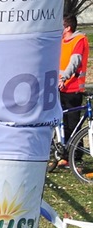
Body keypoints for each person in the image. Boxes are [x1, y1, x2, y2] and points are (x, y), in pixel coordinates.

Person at [59, 14, 89, 167]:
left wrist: (63, 78)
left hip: (73, 88)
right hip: (61, 87)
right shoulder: (61, 41)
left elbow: (74, 62)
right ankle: (65, 155)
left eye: (61, 25)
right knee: (64, 123)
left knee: (73, 124)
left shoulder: (79, 40)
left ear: (68, 27)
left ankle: (76, 156)